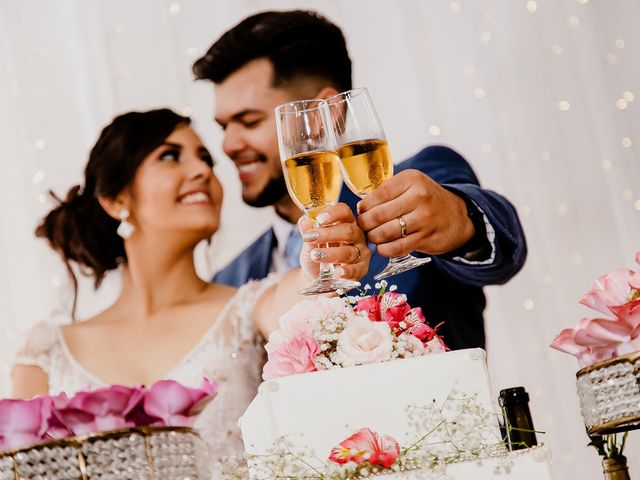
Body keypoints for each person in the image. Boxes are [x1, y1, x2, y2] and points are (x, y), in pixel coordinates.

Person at [10, 108, 370, 469]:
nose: (202, 172)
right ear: (116, 199)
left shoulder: (249, 308)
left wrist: (323, 260)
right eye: (170, 156)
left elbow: (303, 294)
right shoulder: (45, 352)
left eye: (206, 160)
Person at [192, 10, 527, 351]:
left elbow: (502, 241)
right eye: (224, 127)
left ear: (325, 113)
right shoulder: (231, 280)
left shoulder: (418, 186)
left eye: (249, 121)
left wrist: (458, 217)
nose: (228, 145)